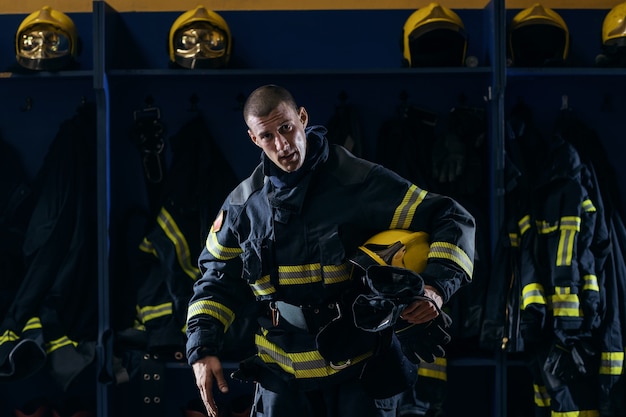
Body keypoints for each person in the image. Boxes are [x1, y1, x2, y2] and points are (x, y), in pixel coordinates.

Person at [185, 84, 476, 417]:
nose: (282, 145)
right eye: (267, 136)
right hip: (282, 381)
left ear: (303, 118)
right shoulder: (243, 207)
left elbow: (451, 217)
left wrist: (435, 288)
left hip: (359, 375)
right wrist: (201, 349)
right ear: (254, 139)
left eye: (286, 128)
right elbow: (217, 280)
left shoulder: (357, 182)